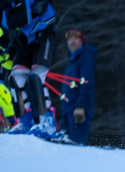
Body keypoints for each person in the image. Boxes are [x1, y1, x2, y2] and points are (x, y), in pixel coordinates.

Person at [2, 0, 58, 137]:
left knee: (36, 76)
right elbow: (9, 23)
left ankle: (47, 121)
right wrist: (12, 47)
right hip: (25, 38)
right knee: (16, 78)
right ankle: (25, 122)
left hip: (44, 35)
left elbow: (46, 13)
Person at [59, 27, 96, 145]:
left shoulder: (86, 57)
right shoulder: (72, 62)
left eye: (75, 38)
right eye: (69, 39)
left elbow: (86, 82)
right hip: (67, 111)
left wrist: (81, 106)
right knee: (65, 148)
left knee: (77, 147)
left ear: (81, 41)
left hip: (78, 110)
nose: (72, 42)